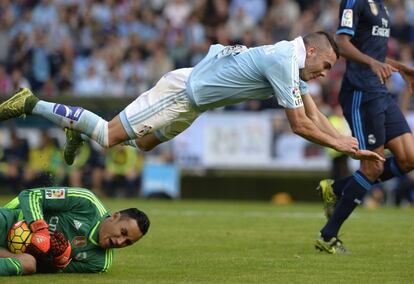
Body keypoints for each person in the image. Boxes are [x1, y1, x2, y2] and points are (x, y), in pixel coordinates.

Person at [0, 31, 383, 164]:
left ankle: (76, 130)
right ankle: (31, 102)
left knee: (146, 143)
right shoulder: (284, 59)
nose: (326, 74)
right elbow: (299, 125)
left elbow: (312, 111)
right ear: (312, 51)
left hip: (195, 104)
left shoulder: (292, 62)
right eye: (329, 64)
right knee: (109, 136)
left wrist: (341, 141)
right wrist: (341, 145)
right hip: (184, 93)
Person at [315, 0, 414, 254]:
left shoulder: (382, 7)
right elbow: (341, 43)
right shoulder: (354, 2)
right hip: (361, 92)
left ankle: (336, 188)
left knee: (408, 158)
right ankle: (327, 236)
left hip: (380, 92)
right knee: (373, 165)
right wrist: (371, 64)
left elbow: (373, 52)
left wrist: (401, 68)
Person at [0, 186, 150, 275]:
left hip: (13, 253)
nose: (120, 241)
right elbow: (31, 195)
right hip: (11, 222)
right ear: (116, 216)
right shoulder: (87, 201)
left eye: (127, 242)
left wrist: (58, 260)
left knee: (30, 265)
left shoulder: (99, 263)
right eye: (123, 232)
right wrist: (40, 229)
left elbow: (45, 269)